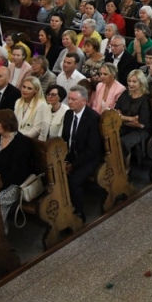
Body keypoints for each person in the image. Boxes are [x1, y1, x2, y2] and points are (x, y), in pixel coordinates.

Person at [61, 85, 102, 220]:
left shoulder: (92, 118)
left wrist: (74, 165)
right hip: (72, 155)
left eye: (73, 99)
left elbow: (93, 148)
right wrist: (65, 159)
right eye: (69, 99)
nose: (69, 102)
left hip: (88, 158)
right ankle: (64, 207)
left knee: (74, 180)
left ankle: (79, 212)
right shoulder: (68, 114)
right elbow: (65, 138)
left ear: (84, 101)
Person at [0, 109, 35, 231]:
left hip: (15, 184)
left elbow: (18, 173)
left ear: (6, 123)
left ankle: (0, 233)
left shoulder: (21, 143)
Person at [116, 69, 152, 163]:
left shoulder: (145, 98)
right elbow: (117, 112)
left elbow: (141, 124)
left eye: (134, 81)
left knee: (122, 142)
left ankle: (125, 168)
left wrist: (121, 118)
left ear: (141, 83)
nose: (131, 84)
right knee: (110, 137)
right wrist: (131, 119)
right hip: (124, 126)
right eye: (129, 81)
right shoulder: (125, 93)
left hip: (140, 131)